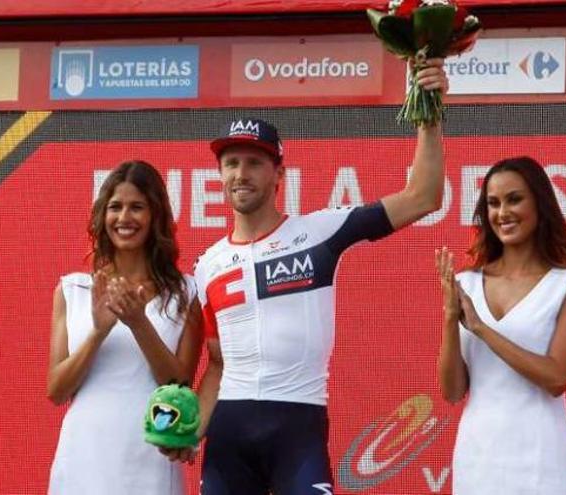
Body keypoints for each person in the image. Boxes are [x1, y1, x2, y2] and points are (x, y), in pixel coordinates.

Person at [162, 59, 449, 493]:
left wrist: (429, 111)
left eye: (255, 163)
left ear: (279, 174)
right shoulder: (208, 265)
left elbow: (423, 196)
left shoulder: (319, 231)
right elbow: (217, 363)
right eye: (231, 163)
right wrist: (194, 429)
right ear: (219, 174)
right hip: (230, 434)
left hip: (297, 426)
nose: (241, 174)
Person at [435, 156, 566, 494]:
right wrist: (451, 320)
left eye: (514, 199)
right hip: (477, 461)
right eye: (493, 203)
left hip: (544, 462)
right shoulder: (466, 283)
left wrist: (480, 328)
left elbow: (556, 377)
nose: (502, 213)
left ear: (540, 204)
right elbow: (452, 392)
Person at [46, 160, 203, 494]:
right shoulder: (72, 290)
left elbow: (179, 386)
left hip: (152, 454)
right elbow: (57, 391)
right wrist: (98, 332)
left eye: (137, 207)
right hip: (84, 455)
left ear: (156, 215)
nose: (124, 218)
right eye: (115, 207)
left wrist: (138, 323)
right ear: (103, 216)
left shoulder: (186, 292)